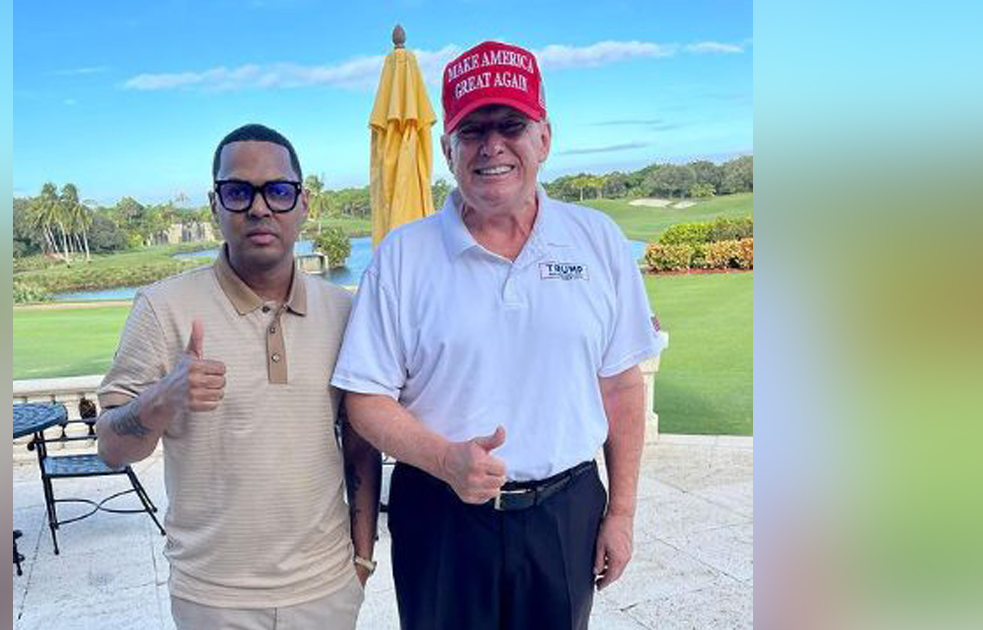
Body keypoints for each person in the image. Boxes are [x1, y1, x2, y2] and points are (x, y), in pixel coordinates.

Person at [332, 41, 665, 629]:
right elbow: (365, 399)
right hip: (440, 513)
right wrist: (444, 459)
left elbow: (621, 386)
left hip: (566, 512)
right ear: (447, 150)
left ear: (544, 138)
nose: (492, 146)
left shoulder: (598, 241)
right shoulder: (403, 257)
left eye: (511, 125)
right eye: (471, 130)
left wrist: (622, 513)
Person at [95, 123, 381, 630]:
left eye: (278, 190)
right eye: (237, 191)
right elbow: (112, 449)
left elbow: (360, 445)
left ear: (303, 203)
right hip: (213, 598)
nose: (259, 208)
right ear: (215, 205)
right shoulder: (162, 309)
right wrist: (162, 399)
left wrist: (361, 559)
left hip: (327, 589)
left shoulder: (344, 311)